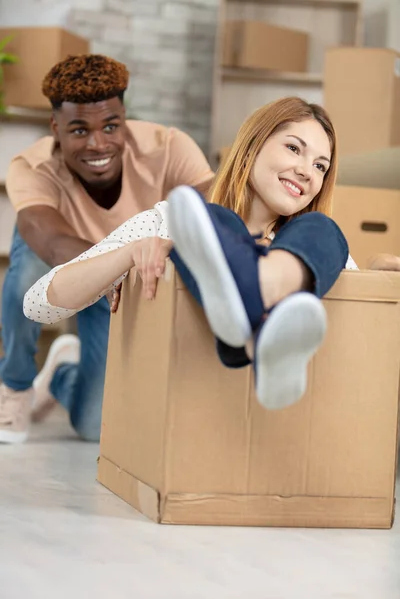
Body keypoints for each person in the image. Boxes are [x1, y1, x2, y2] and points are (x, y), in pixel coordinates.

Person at [24, 97, 357, 413]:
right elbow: (37, 305)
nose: (306, 171)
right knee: (213, 224)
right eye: (294, 148)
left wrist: (383, 270)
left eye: (320, 166)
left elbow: (368, 307)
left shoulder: (316, 240)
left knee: (323, 229)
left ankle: (261, 287)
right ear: (252, 146)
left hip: (262, 416)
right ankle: (257, 317)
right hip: (183, 402)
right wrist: (131, 252)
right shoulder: (180, 221)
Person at [0, 54, 214, 444]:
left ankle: (62, 372)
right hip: (67, 263)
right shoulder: (32, 167)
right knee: (26, 271)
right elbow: (50, 240)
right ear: (55, 128)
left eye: (111, 126)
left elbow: (213, 212)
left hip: (122, 279)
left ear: (124, 118)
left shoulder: (169, 148)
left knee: (93, 426)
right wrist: (122, 260)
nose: (99, 144)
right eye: (79, 130)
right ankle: (14, 384)